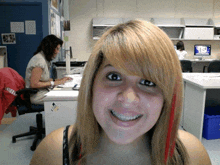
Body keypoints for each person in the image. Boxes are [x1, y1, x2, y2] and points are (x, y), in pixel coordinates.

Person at [30, 20, 211, 165]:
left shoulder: (191, 155)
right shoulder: (53, 153)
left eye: (148, 82)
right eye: (114, 76)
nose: (128, 98)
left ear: (167, 96)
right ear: (91, 83)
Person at [25, 34, 72, 104]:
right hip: (37, 96)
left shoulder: (43, 59)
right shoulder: (39, 61)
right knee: (64, 100)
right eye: (57, 49)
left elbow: (43, 79)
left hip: (43, 91)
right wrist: (53, 83)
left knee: (63, 95)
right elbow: (34, 84)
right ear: (50, 48)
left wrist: (60, 80)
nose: (58, 52)